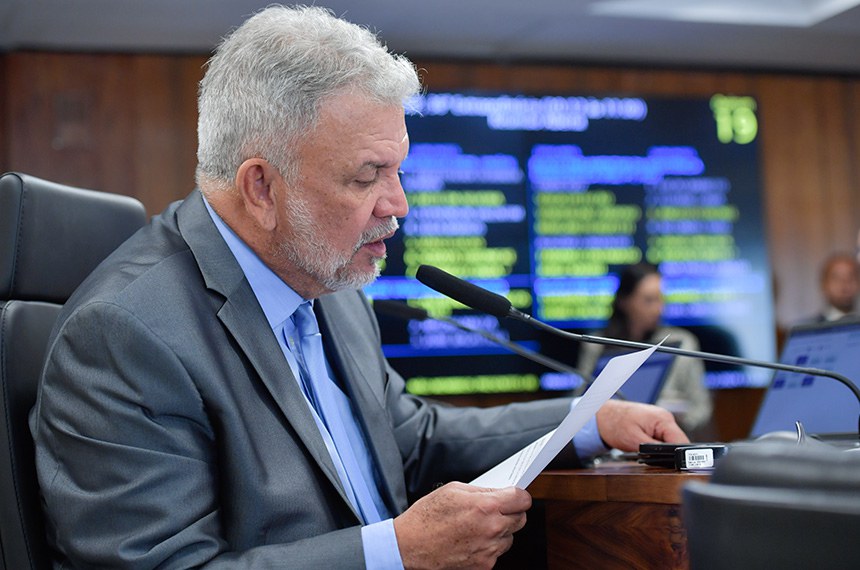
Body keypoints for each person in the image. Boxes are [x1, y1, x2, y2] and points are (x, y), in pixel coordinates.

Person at [31, 6, 687, 568]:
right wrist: (394, 554)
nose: (397, 205)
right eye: (367, 176)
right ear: (262, 187)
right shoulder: (124, 333)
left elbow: (415, 442)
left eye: (398, 171)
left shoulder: (332, 284)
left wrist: (588, 423)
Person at [577, 262, 712, 434]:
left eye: (661, 299)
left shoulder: (683, 343)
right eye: (649, 300)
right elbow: (580, 406)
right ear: (624, 301)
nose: (658, 309)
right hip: (612, 442)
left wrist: (674, 418)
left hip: (669, 439)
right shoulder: (596, 344)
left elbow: (701, 408)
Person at [803, 251, 860, 323]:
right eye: (836, 278)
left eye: (851, 278)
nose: (845, 284)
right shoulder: (805, 330)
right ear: (824, 284)